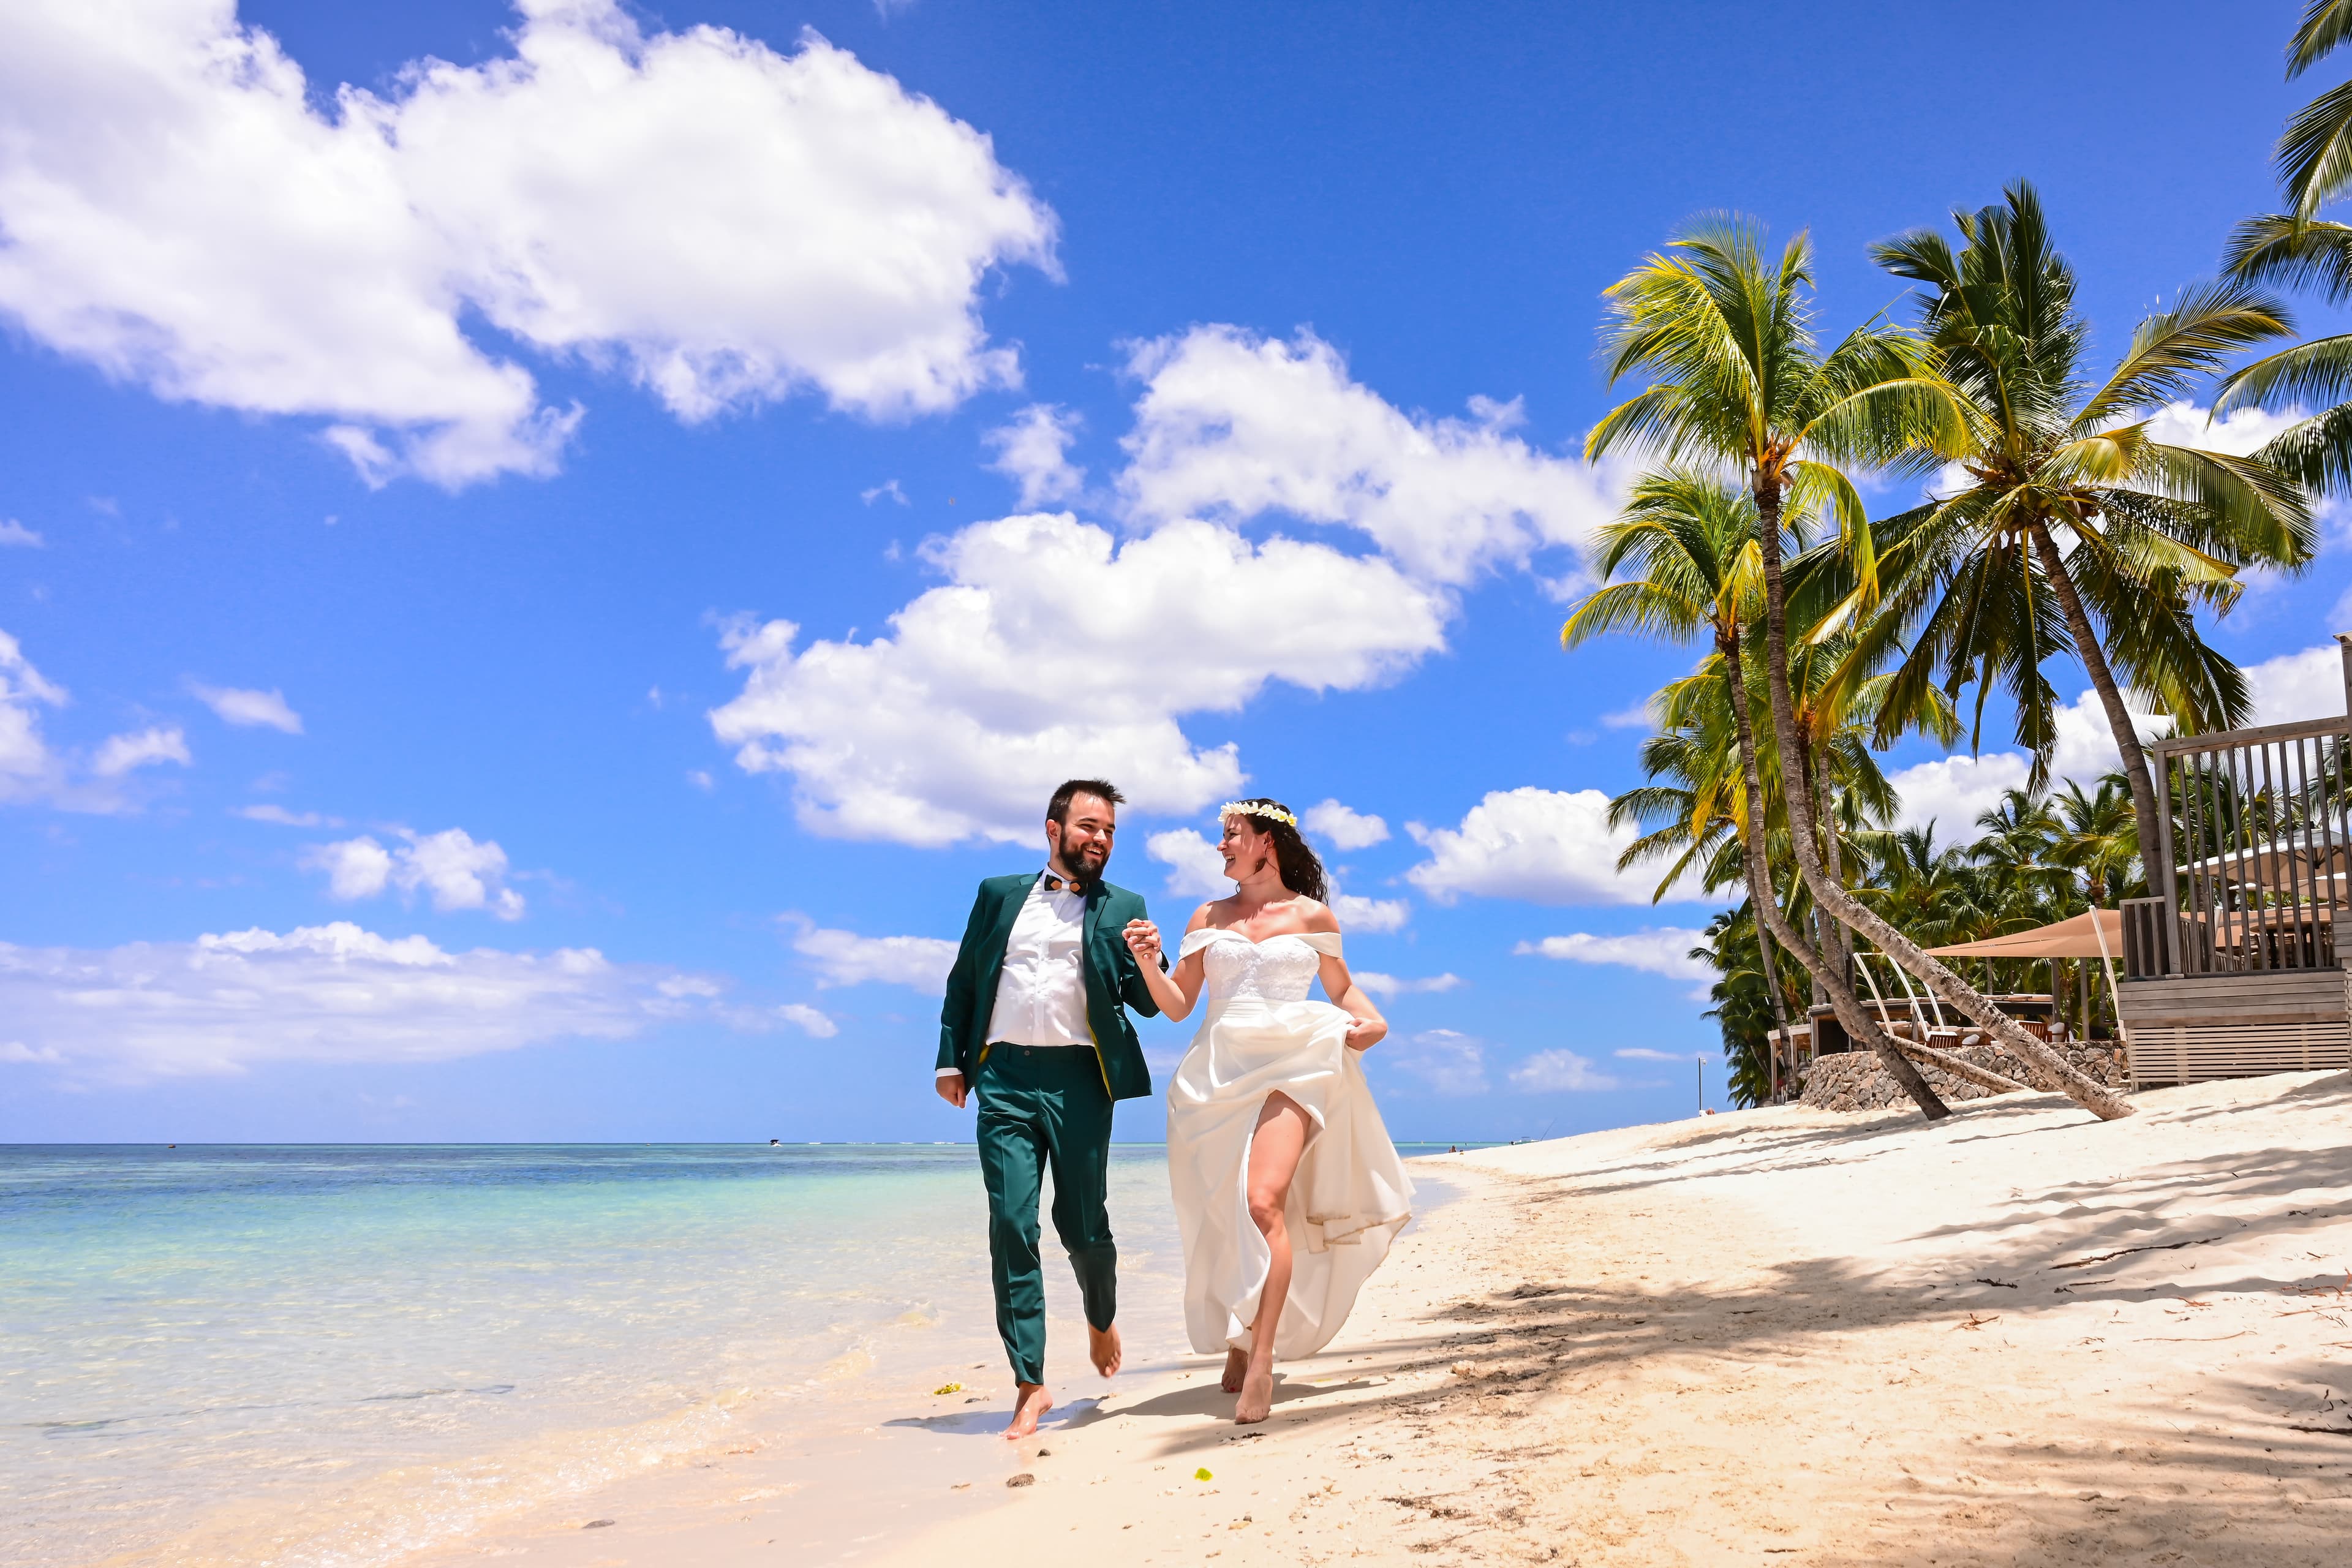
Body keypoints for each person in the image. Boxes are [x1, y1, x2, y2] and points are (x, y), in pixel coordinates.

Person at [1122, 797, 1413, 1425]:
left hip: (1296, 1057)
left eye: (1232, 834)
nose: (1221, 846)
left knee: (1262, 1202)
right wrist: (1147, 961)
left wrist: (1374, 1018)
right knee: (1220, 1212)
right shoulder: (1208, 914)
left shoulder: (1312, 915)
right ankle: (1239, 1329)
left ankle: (1260, 1358)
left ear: (1267, 842)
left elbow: (1341, 988)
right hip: (1218, 1069)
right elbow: (1178, 1006)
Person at [935, 778, 1163, 1439]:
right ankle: (1030, 1383)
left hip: (1081, 1079)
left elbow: (1147, 1003)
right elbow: (965, 978)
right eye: (1090, 826)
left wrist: (1148, 955)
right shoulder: (998, 894)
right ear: (1053, 829)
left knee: (1083, 1223)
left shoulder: (1126, 905)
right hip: (1002, 1076)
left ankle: (1100, 1314)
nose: (1100, 839)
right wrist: (952, 1061)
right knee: (1011, 1221)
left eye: (1110, 831)